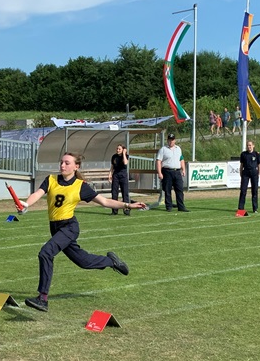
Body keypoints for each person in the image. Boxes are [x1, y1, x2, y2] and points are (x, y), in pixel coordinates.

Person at [21, 152, 147, 313]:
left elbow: (105, 201)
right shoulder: (51, 179)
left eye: (67, 163)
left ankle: (42, 298)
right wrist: (26, 205)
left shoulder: (80, 186)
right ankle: (111, 262)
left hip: (69, 227)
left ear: (76, 166)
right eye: (61, 162)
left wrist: (128, 205)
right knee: (84, 262)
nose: (62, 165)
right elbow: (37, 194)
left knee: (45, 253)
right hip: (55, 228)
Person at [155, 133, 189, 213]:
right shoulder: (163, 149)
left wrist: (183, 169)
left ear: (175, 140)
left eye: (172, 140)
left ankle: (181, 206)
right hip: (167, 171)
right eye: (169, 140)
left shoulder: (178, 149)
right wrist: (159, 173)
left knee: (179, 189)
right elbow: (158, 161)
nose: (171, 141)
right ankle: (169, 206)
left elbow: (181, 159)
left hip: (177, 171)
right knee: (167, 190)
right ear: (167, 140)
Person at [238, 140, 260, 214]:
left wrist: (259, 173)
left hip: (254, 173)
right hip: (246, 173)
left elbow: (259, 164)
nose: (249, 147)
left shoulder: (256, 154)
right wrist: (241, 173)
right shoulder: (243, 154)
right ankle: (241, 208)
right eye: (248, 145)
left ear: (253, 146)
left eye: (250, 145)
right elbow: (241, 165)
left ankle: (255, 208)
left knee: (254, 191)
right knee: (243, 190)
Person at [108, 144, 130, 215]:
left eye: (119, 149)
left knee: (125, 193)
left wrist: (124, 153)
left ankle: (126, 210)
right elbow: (112, 166)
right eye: (117, 149)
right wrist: (110, 174)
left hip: (123, 175)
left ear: (123, 149)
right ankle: (114, 211)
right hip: (116, 175)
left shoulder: (125, 156)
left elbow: (125, 163)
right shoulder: (114, 157)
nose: (118, 150)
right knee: (114, 193)